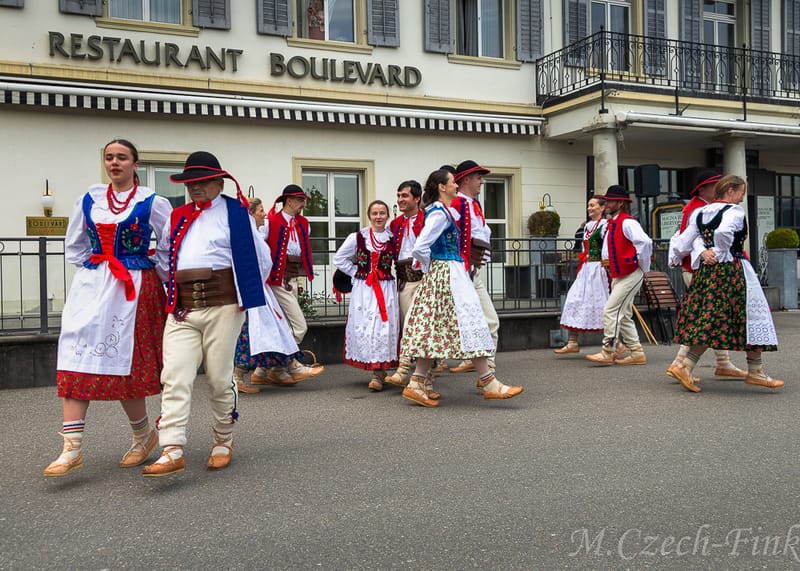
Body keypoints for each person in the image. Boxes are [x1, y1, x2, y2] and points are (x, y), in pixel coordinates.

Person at [44, 139, 171, 477]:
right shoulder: (90, 198)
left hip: (134, 288)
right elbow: (75, 246)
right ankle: (71, 448)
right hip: (94, 284)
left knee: (124, 363)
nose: (114, 163)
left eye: (122, 158)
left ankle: (143, 435)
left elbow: (170, 245)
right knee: (75, 354)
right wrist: (95, 269)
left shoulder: (152, 202)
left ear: (135, 164)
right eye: (109, 157)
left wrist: (154, 270)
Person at [142, 151, 271, 477]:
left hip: (224, 306)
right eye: (190, 183)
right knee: (174, 376)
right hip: (183, 308)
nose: (195, 188)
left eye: (201, 182)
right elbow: (163, 257)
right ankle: (171, 448)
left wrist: (243, 296)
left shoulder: (237, 214)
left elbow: (261, 259)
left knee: (217, 377)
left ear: (218, 181)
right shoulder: (178, 215)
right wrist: (175, 293)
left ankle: (223, 439)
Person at [400, 169, 523, 407]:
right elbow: (420, 246)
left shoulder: (444, 211)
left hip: (449, 272)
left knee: (436, 328)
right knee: (471, 321)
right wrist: (431, 268)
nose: (456, 186)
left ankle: (417, 382)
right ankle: (488, 382)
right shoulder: (440, 213)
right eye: (452, 183)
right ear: (441, 187)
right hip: (448, 273)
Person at [667, 175, 783, 393]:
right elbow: (723, 232)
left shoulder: (699, 212)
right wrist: (720, 252)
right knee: (750, 315)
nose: (741, 199)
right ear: (730, 191)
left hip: (707, 273)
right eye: (740, 193)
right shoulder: (734, 211)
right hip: (733, 270)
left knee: (712, 318)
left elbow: (685, 240)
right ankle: (754, 371)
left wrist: (698, 253)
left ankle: (689, 365)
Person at [665, 169, 748, 382]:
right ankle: (681, 364)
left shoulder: (705, 208)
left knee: (712, 317)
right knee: (706, 318)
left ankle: (723, 364)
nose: (718, 188)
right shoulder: (697, 208)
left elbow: (686, 239)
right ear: (703, 188)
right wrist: (709, 253)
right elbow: (689, 238)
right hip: (707, 269)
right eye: (714, 185)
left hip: (706, 267)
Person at [249, 184, 324, 387]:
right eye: (300, 200)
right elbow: (258, 246)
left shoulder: (303, 223)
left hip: (291, 279)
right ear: (289, 201)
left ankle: (267, 369)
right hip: (275, 281)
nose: (303, 203)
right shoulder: (270, 221)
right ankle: (283, 366)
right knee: (300, 326)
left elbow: (300, 251)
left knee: (282, 326)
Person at [233, 197, 303, 394]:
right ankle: (239, 376)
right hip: (251, 289)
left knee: (267, 330)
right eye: (261, 210)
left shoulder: (255, 234)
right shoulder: (247, 237)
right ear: (251, 214)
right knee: (249, 334)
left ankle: (277, 368)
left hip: (260, 288)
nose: (265, 214)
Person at [333, 200, 400, 390]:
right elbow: (339, 258)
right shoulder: (358, 237)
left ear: (387, 216)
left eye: (382, 213)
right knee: (366, 326)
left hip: (385, 288)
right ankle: (375, 368)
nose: (378, 217)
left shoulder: (392, 238)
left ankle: (379, 373)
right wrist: (357, 273)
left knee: (383, 327)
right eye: (375, 213)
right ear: (369, 216)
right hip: (364, 289)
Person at [586, 185, 652, 366]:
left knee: (610, 310)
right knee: (624, 314)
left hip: (630, 273)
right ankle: (637, 352)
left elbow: (645, 243)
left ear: (620, 203)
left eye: (610, 201)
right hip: (620, 272)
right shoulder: (613, 222)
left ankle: (608, 351)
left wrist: (640, 264)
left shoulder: (627, 222)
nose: (606, 204)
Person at [447, 160, 499, 375]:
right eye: (478, 177)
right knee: (484, 321)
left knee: (488, 322)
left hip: (473, 271)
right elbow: (454, 239)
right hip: (463, 273)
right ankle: (488, 374)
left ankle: (484, 369)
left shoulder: (474, 204)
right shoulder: (457, 204)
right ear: (466, 180)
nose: (482, 182)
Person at [554, 197, 609, 354]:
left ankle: (616, 342)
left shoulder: (606, 226)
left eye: (592, 205)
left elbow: (607, 248)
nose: (589, 209)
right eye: (588, 206)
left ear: (602, 208)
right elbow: (583, 249)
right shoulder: (588, 227)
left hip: (599, 269)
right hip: (586, 269)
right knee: (574, 300)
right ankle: (572, 342)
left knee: (602, 304)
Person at [384, 180, 425, 388]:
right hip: (404, 280)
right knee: (406, 324)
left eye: (405, 196)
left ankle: (403, 369)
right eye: (399, 195)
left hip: (424, 280)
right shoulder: (395, 224)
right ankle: (430, 367)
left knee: (411, 323)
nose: (400, 200)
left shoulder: (427, 219)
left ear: (417, 198)